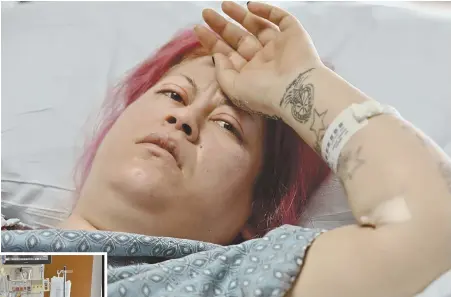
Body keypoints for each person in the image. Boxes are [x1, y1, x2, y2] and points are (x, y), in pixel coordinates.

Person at [2, 2, 450, 296]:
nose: (184, 119)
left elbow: (430, 226)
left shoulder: (229, 278)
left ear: (255, 215)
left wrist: (300, 85)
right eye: (174, 95)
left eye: (227, 125)